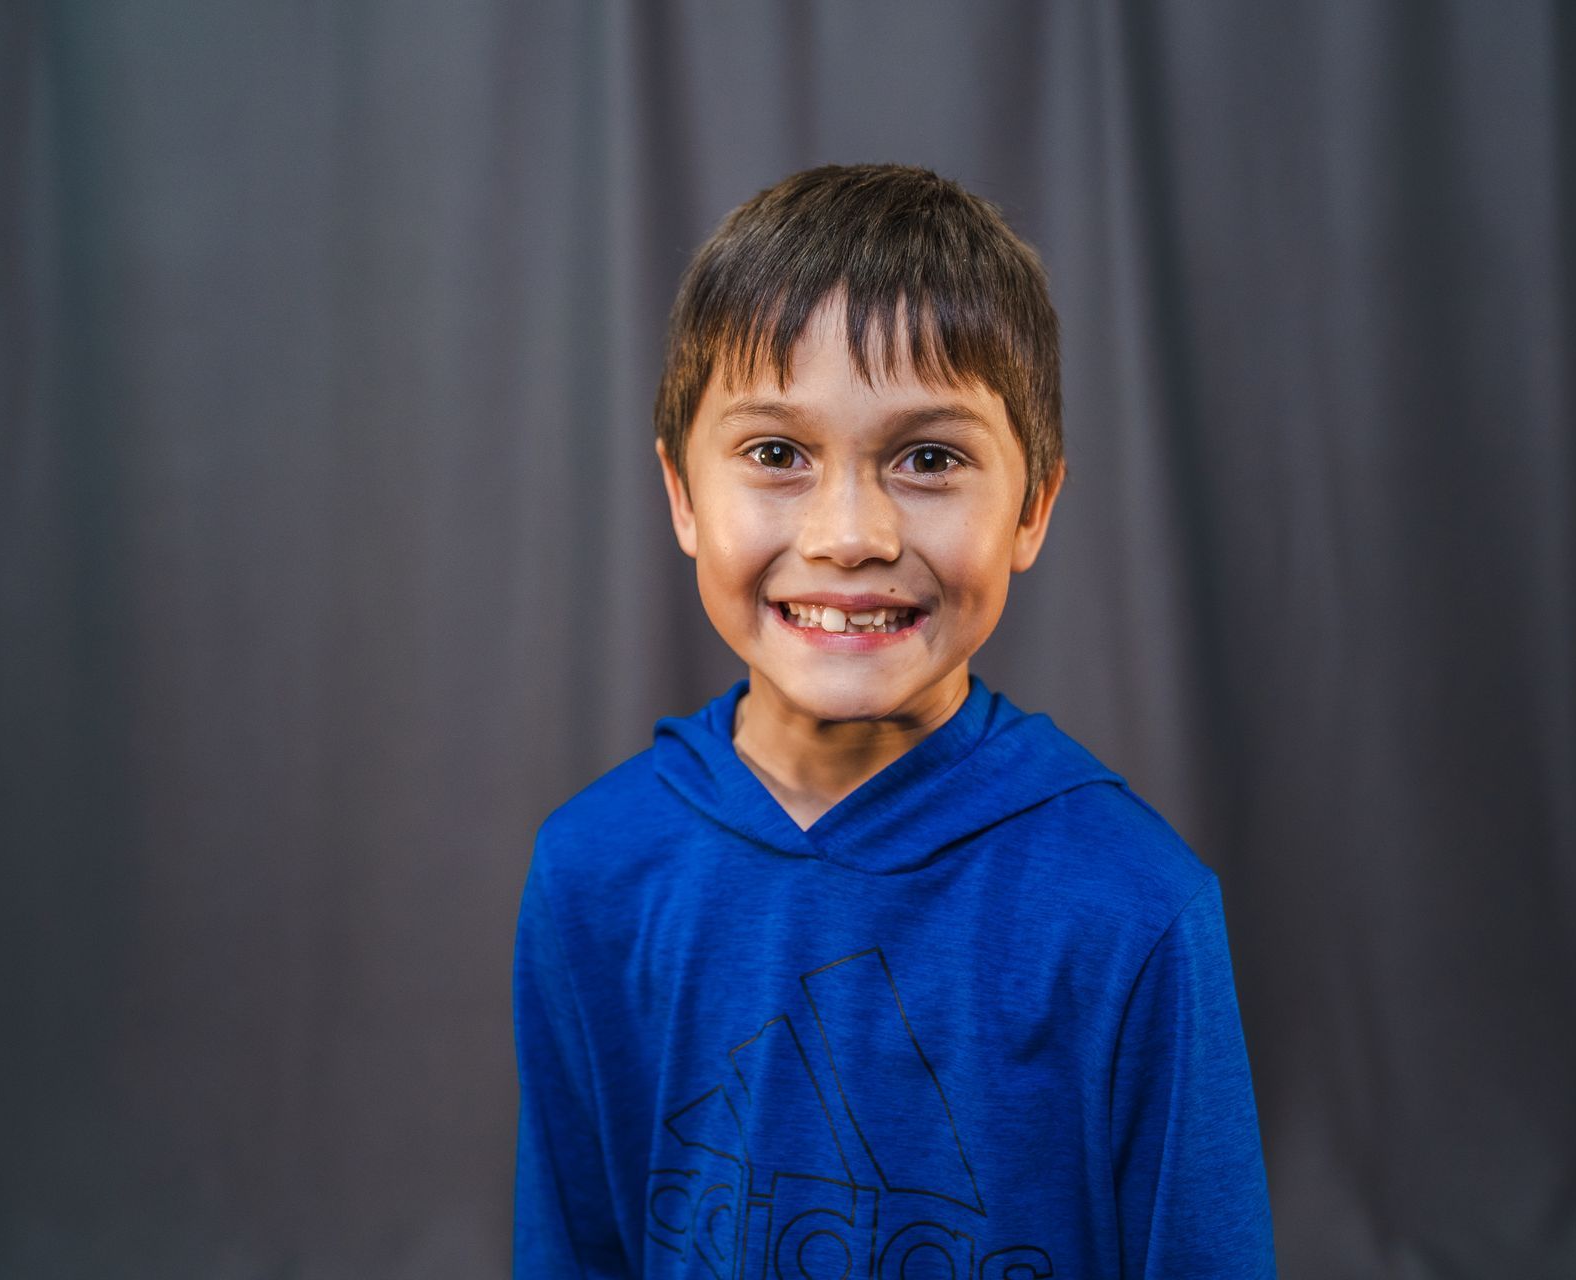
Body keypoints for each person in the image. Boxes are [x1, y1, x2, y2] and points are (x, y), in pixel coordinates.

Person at [513, 163, 1276, 1278]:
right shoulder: (592, 869)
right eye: (778, 454)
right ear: (682, 494)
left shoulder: (1136, 908)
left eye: (929, 458)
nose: (850, 533)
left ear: (1034, 506)